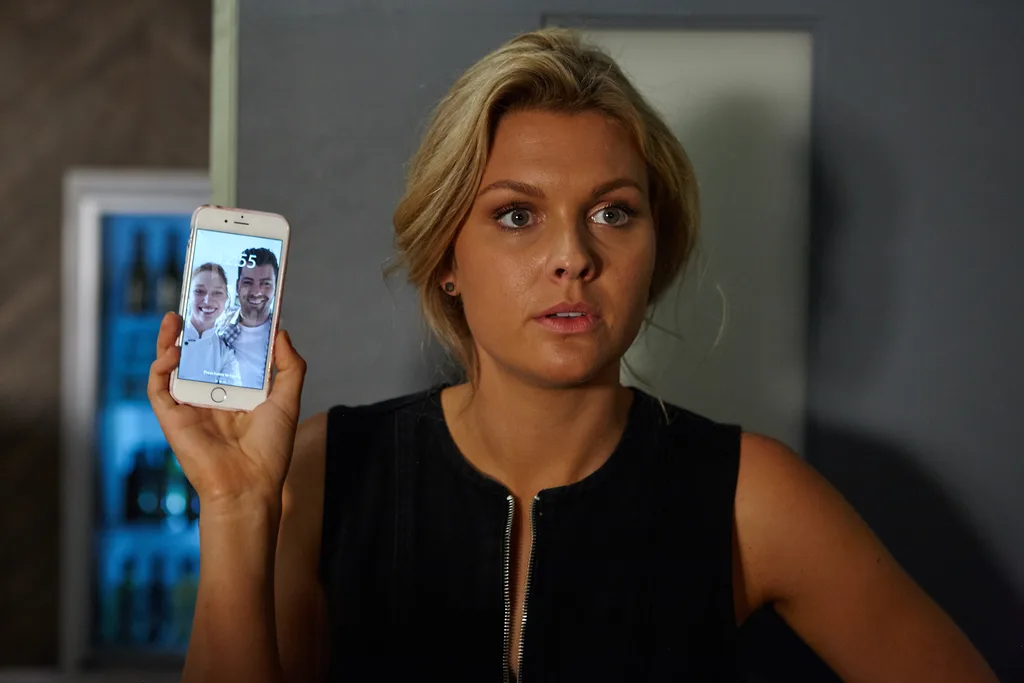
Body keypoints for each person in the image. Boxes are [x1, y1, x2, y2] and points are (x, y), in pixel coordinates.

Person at [147, 29, 998, 683]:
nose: (573, 257)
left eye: (613, 212)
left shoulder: (751, 495)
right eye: (517, 214)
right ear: (446, 256)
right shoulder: (326, 471)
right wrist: (235, 506)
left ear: (656, 250)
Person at [218, 246, 278, 389]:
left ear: (276, 287)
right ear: (237, 286)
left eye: (266, 284)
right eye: (248, 282)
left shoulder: (280, 338)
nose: (256, 292)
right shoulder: (216, 326)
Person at [176, 262, 241, 387]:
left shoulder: (226, 354)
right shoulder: (174, 335)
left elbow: (230, 393)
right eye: (199, 291)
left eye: (217, 293)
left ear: (226, 298)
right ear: (188, 295)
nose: (207, 300)